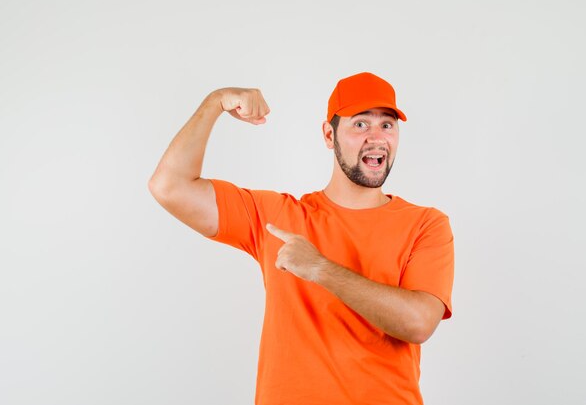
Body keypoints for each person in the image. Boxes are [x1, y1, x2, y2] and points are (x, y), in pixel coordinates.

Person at [148, 72, 455, 405]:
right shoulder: (278, 217)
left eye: (387, 124)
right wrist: (215, 102)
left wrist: (320, 268)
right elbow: (169, 186)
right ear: (329, 134)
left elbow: (419, 323)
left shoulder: (426, 224)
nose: (377, 137)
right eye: (361, 124)